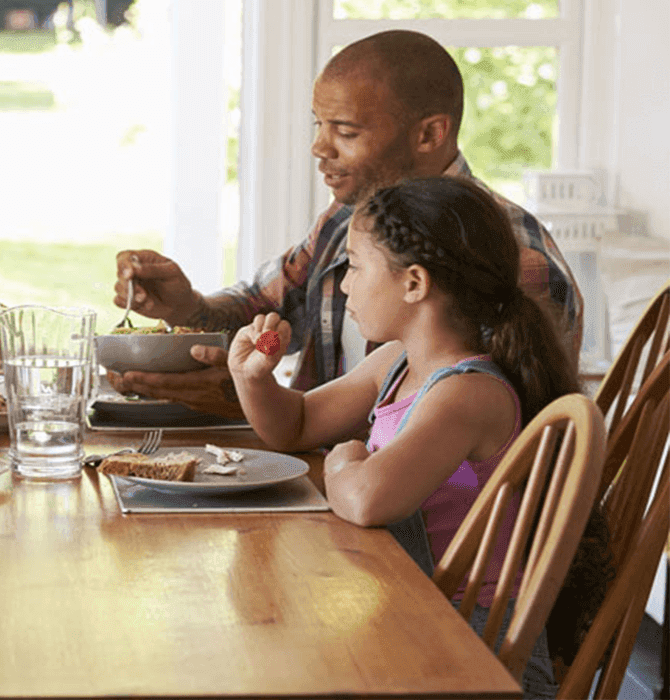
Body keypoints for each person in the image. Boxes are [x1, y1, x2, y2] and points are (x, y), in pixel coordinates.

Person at [228, 176, 604, 698]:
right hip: (414, 612)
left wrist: (346, 459)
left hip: (471, 649)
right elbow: (294, 426)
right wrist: (254, 378)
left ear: (414, 284)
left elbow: (367, 500)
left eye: (355, 267)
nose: (344, 284)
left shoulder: (467, 393)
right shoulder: (397, 362)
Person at [111, 29, 582, 417]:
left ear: (429, 134)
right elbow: (263, 303)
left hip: (430, 524)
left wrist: (256, 403)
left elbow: (484, 442)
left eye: (345, 131)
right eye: (318, 125)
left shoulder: (512, 256)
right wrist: (186, 305)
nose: (320, 148)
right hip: (331, 482)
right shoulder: (348, 220)